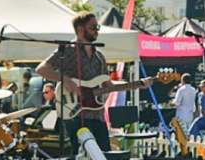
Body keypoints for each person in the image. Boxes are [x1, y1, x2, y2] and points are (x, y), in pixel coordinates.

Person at [37, 11, 152, 151]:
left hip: (98, 116)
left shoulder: (99, 57)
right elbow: (42, 69)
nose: (97, 30)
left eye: (97, 27)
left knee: (104, 156)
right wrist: (67, 81)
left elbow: (108, 86)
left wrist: (138, 84)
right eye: (93, 27)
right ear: (80, 29)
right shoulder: (68, 51)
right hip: (76, 115)